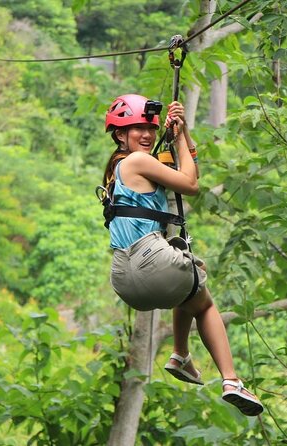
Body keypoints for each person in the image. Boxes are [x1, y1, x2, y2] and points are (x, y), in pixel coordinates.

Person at [100, 93, 264, 417]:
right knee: (204, 302)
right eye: (137, 129)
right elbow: (190, 184)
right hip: (149, 259)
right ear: (121, 134)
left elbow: (185, 172)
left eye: (150, 127)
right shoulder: (137, 161)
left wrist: (182, 134)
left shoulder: (118, 169)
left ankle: (180, 356)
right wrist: (179, 136)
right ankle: (231, 380)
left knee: (185, 286)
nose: (146, 134)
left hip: (123, 276)